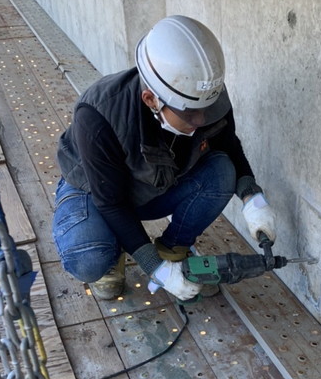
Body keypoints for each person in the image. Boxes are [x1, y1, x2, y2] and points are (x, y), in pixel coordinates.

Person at [53, 15, 276, 301]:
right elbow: (111, 201)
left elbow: (229, 145)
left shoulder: (204, 95)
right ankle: (112, 252)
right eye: (189, 114)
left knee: (222, 170)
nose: (201, 120)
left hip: (153, 188)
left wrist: (252, 198)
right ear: (151, 100)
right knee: (87, 259)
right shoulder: (98, 115)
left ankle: (172, 251)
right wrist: (156, 270)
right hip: (94, 192)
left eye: (205, 109)